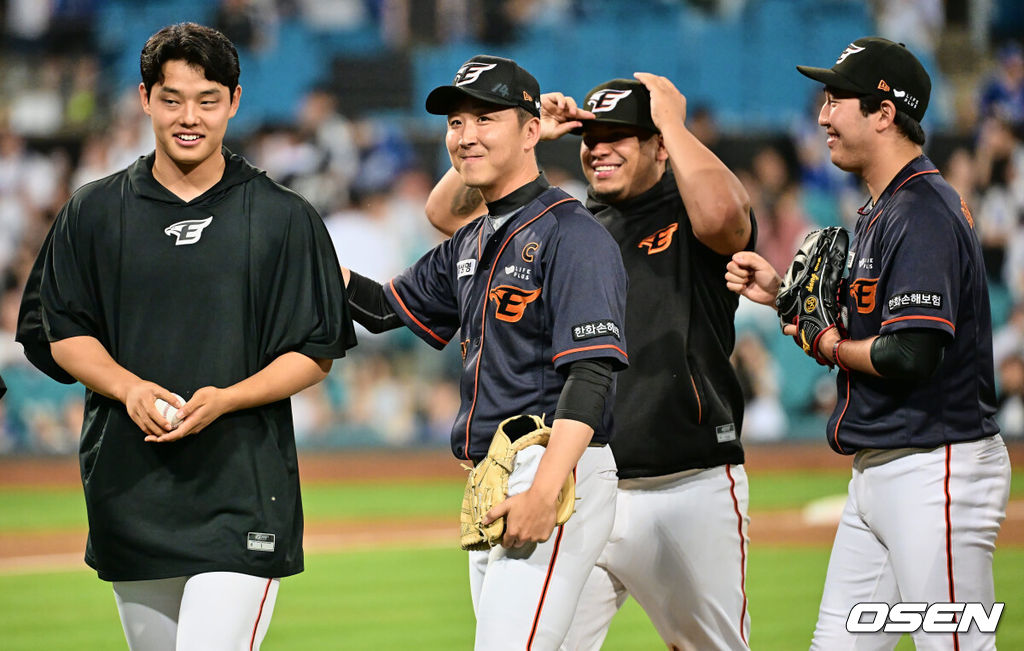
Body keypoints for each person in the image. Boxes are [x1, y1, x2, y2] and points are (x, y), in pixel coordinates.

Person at [15, 22, 355, 650]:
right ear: (145, 99)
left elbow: (314, 350)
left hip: (242, 488)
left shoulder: (284, 217)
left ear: (234, 100)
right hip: (129, 488)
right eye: (171, 99)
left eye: (206, 99)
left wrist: (226, 398)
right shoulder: (92, 211)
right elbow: (61, 332)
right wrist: (129, 387)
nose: (188, 116)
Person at [426, 73, 755, 649]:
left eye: (620, 135)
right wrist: (529, 139)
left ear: (659, 146)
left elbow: (728, 217)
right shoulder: (568, 225)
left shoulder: (688, 212)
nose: (599, 148)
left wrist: (672, 122)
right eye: (590, 135)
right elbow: (447, 214)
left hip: (686, 483)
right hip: (582, 488)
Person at [725, 37, 1011, 650]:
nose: (822, 115)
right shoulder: (885, 209)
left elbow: (909, 354)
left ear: (884, 113)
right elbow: (858, 327)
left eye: (837, 100)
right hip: (884, 467)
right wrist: (784, 296)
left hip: (937, 467)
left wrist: (826, 343)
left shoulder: (922, 213)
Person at [340, 55, 629, 650]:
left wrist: (545, 491)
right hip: (495, 476)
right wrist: (292, 253)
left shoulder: (573, 234)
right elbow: (379, 308)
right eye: (455, 122)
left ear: (531, 131)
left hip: (550, 466)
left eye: (485, 118)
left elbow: (593, 374)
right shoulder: (473, 238)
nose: (465, 135)